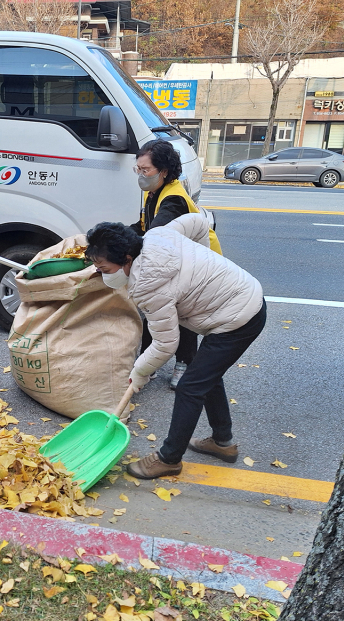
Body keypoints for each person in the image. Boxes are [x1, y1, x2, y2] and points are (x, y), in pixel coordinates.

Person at [85, 215, 266, 479]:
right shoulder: (157, 235)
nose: (101, 274)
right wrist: (205, 263)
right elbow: (198, 222)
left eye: (104, 269)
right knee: (206, 376)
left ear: (127, 259)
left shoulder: (148, 287)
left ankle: (169, 459)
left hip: (238, 318)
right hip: (242, 294)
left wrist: (139, 372)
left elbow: (165, 344)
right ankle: (222, 442)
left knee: (190, 387)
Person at [130, 139, 223, 390]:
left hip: (200, 261)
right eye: (138, 169)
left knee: (184, 313)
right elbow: (143, 226)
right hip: (177, 256)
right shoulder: (154, 191)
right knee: (155, 308)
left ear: (163, 171)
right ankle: (148, 362)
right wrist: (114, 235)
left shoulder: (173, 199)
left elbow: (155, 234)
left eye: (145, 170)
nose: (140, 175)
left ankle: (184, 364)